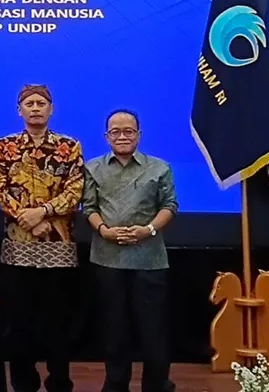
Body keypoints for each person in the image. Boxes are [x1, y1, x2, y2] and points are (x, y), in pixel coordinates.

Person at [0, 84, 84, 392]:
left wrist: (42, 212)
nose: (35, 108)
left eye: (40, 103)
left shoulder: (69, 147)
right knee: (19, 323)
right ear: (19, 110)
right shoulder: (4, 146)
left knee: (58, 322)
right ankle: (23, 383)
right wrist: (26, 219)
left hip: (58, 248)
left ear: (51, 109)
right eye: (29, 104)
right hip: (18, 247)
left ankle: (59, 382)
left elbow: (75, 191)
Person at [83, 110, 178, 392]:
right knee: (114, 331)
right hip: (107, 259)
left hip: (149, 260)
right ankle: (115, 385)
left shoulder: (159, 167)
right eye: (116, 131)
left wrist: (148, 230)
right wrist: (104, 231)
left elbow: (169, 206)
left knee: (154, 332)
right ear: (106, 136)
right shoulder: (93, 168)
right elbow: (89, 207)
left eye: (128, 131)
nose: (122, 136)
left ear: (139, 134)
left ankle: (156, 385)